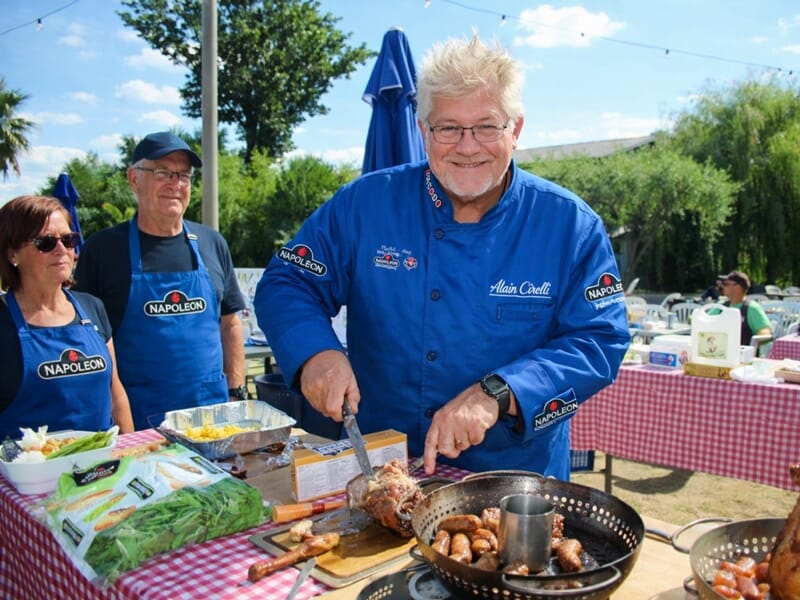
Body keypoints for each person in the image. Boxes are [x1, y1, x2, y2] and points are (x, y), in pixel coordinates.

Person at [254, 35, 629, 479]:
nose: (467, 146)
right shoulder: (365, 204)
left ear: (516, 129)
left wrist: (499, 393)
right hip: (380, 469)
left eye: (487, 126)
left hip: (515, 485)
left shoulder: (570, 225)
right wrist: (316, 353)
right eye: (448, 127)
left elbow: (598, 343)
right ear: (422, 130)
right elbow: (286, 283)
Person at [72, 132, 247, 430]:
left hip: (213, 420)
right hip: (140, 422)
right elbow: (85, 340)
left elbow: (230, 323)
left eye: (183, 175)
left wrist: (236, 391)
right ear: (133, 178)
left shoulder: (211, 242)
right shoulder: (103, 250)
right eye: (163, 172)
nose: (175, 184)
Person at [0, 195, 133, 438]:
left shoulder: (92, 307)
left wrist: (132, 451)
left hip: (102, 468)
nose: (62, 250)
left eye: (69, 239)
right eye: (46, 242)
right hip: (27, 471)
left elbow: (115, 392)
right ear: (12, 255)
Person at [718, 270, 772, 345]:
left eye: (725, 284)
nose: (722, 286)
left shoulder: (752, 308)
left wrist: (753, 343)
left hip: (742, 354)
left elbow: (766, 333)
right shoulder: (720, 307)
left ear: (737, 287)